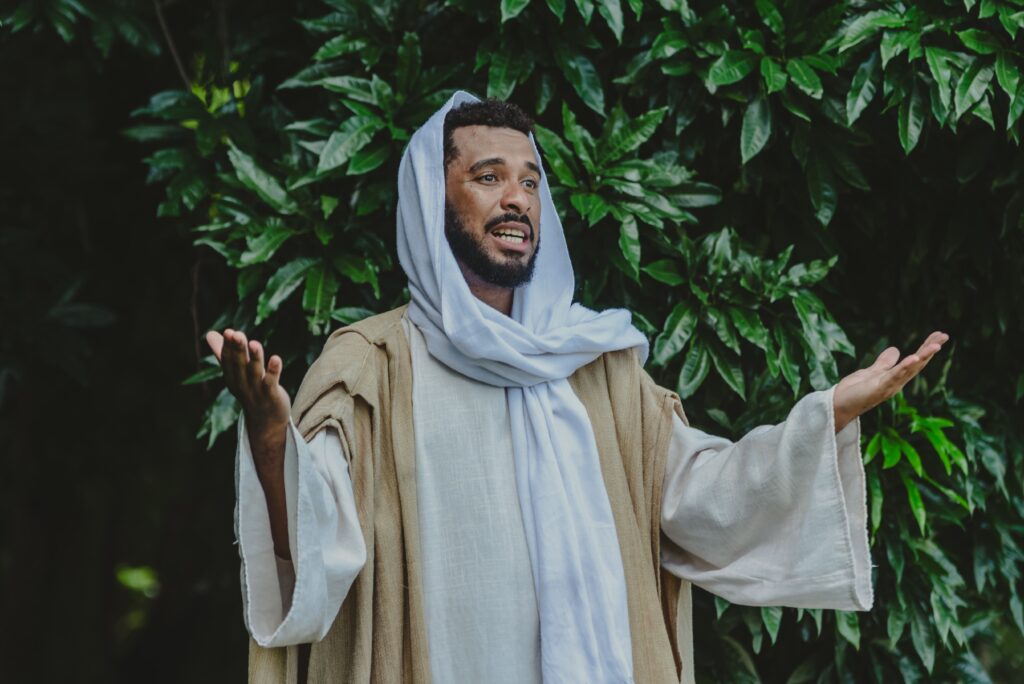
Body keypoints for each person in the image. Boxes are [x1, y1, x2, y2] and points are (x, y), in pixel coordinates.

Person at [206, 92, 948, 684]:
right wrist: (275, 439)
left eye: (530, 181)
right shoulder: (371, 364)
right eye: (488, 176)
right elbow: (318, 541)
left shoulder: (594, 363)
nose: (518, 199)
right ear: (433, 207)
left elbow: (700, 495)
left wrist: (825, 415)